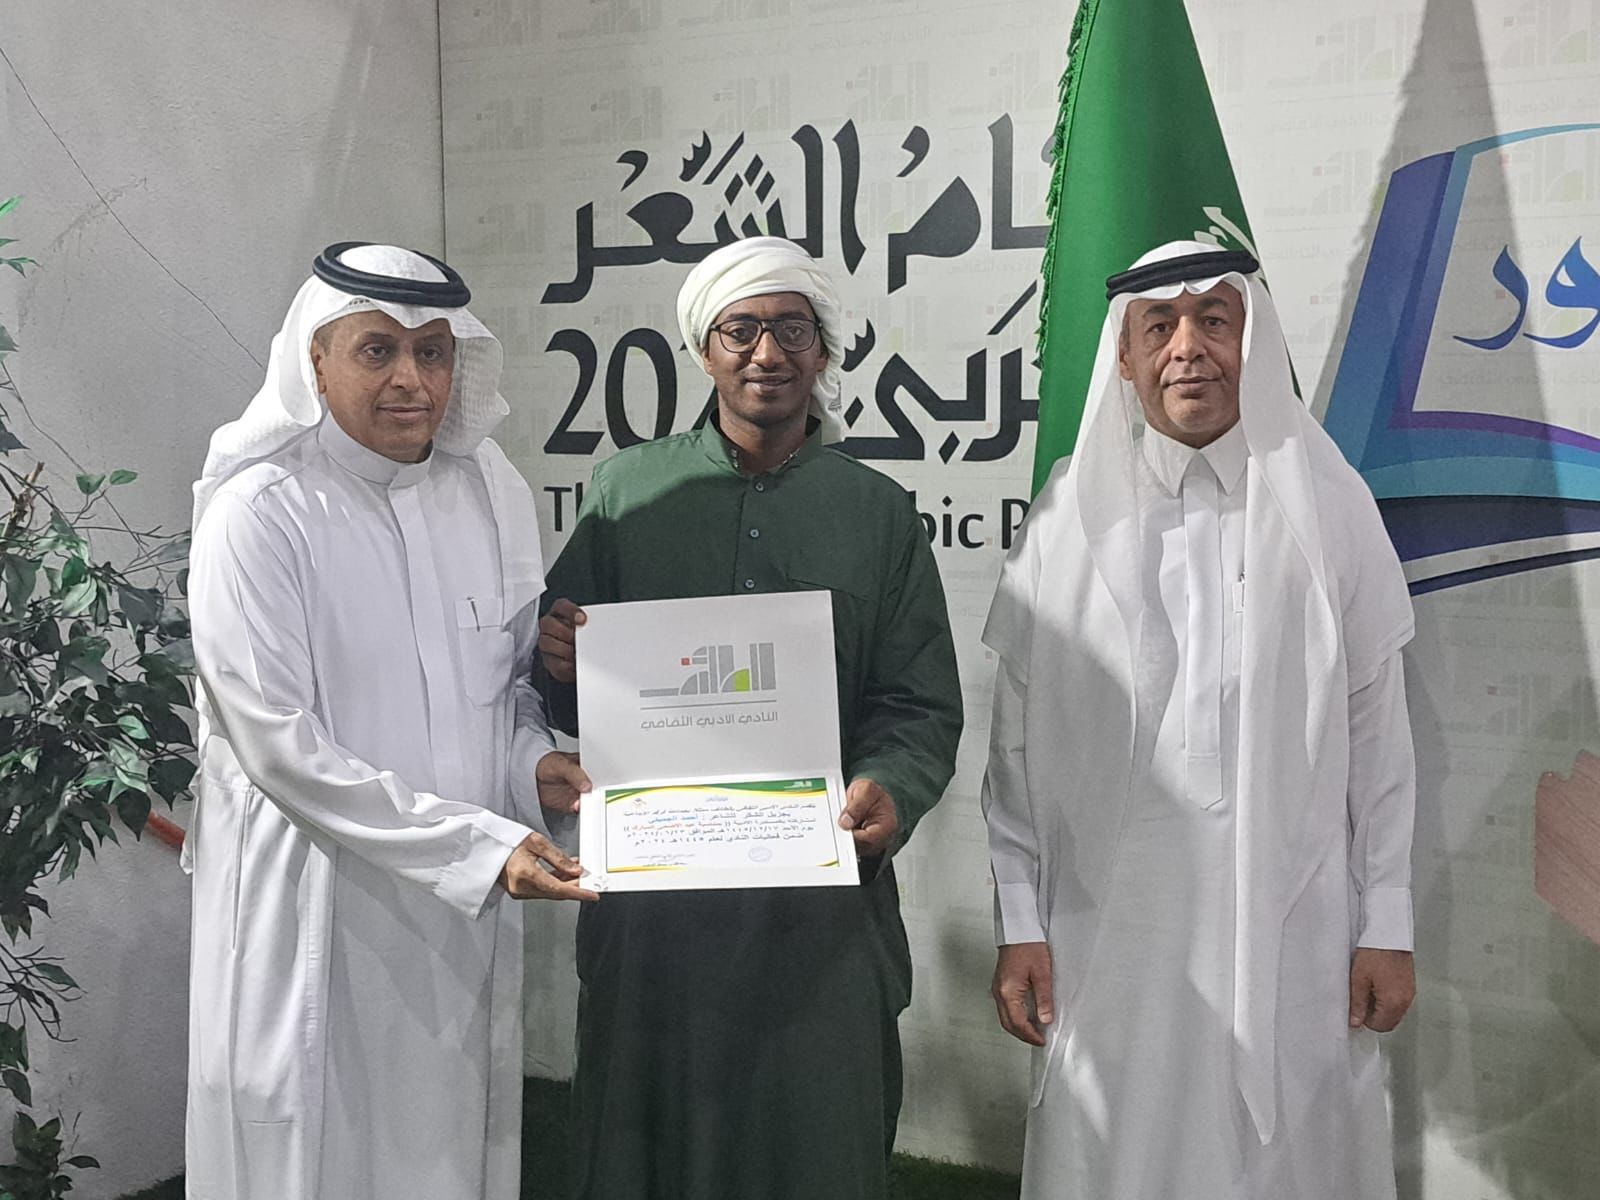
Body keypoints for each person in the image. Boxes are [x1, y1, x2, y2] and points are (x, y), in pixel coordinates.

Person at [982, 240, 1418, 1199]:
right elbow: (1014, 749)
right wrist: (1018, 918)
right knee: (1115, 1146)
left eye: (1214, 320)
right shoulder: (1065, 519)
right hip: (1109, 926)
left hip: (1298, 921)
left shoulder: (1329, 504)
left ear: (1252, 343)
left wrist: (1386, 920)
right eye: (1160, 326)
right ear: (1125, 356)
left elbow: (1378, 736)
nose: (1189, 347)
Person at [535, 236, 963, 1200]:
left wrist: (889, 788)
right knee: (645, 1147)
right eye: (741, 330)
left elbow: (918, 701)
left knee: (815, 1144)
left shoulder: (878, 513)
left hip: (820, 904)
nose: (767, 353)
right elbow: (567, 687)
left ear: (824, 350)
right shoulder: (626, 491)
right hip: (654, 906)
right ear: (704, 349)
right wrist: (558, 660)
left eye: (792, 330)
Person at [185, 242, 596, 1200]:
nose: (412, 379)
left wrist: (529, 767)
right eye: (378, 350)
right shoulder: (260, 513)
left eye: (433, 352)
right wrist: (477, 847)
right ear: (316, 360)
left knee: (446, 1149)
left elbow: (507, 684)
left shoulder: (490, 490)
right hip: (314, 909)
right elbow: (279, 747)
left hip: (459, 911)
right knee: (312, 1154)